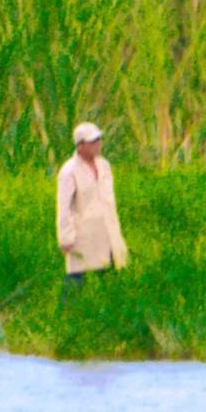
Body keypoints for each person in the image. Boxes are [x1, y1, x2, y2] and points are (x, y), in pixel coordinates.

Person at [56, 121, 128, 288]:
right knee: (76, 275)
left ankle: (110, 308)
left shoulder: (104, 166)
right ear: (80, 145)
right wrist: (65, 237)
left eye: (99, 140)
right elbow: (63, 207)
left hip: (106, 228)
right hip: (83, 232)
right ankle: (68, 311)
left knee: (110, 272)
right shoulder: (69, 171)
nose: (97, 145)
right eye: (92, 141)